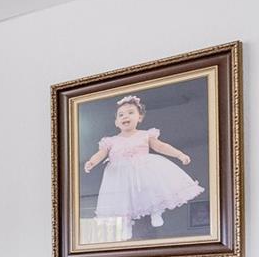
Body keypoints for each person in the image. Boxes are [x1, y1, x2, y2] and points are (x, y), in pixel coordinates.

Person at [82, 95, 204, 228]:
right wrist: (92, 162)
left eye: (130, 113)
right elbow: (101, 154)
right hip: (120, 176)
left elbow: (161, 146)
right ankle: (126, 224)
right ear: (116, 122)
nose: (125, 116)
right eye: (121, 114)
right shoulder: (110, 141)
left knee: (151, 190)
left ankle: (156, 212)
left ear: (139, 117)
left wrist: (179, 154)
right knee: (123, 199)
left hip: (143, 169)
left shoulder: (145, 135)